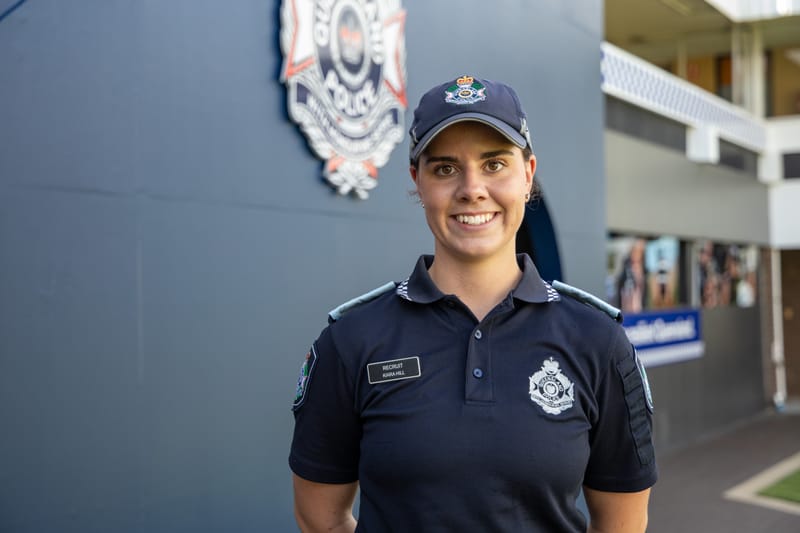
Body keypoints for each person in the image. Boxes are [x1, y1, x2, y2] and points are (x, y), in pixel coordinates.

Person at [289, 75, 657, 532]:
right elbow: (319, 517)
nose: (471, 189)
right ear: (417, 183)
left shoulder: (598, 342)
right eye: (445, 168)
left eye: (495, 164)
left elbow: (621, 524)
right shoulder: (352, 341)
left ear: (527, 175)